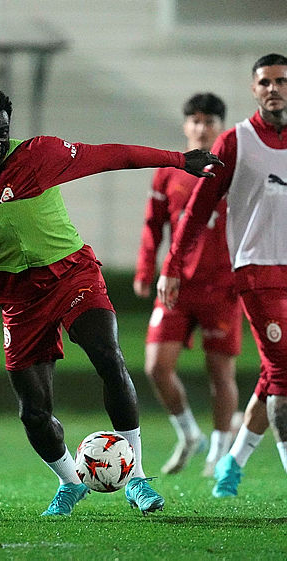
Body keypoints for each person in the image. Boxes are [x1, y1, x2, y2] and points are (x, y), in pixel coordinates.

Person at [0, 86, 223, 516]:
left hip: (71, 273)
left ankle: (138, 478)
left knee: (109, 357)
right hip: (20, 297)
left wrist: (180, 160)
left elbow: (112, 155)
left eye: (1, 130)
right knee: (33, 411)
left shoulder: (39, 154)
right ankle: (70, 482)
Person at [157, 53, 287, 497]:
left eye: (281, 81)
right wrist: (171, 265)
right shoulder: (236, 142)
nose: (274, 88)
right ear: (254, 90)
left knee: (274, 372)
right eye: (266, 82)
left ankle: (231, 462)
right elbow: (196, 212)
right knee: (283, 375)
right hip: (256, 270)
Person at [134, 93, 242, 477]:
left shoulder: (235, 169)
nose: (201, 127)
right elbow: (154, 224)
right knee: (155, 366)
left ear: (220, 126)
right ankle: (188, 434)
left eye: (209, 121)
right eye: (194, 120)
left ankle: (218, 450)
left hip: (223, 286)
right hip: (176, 284)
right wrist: (146, 269)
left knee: (220, 374)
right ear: (185, 125)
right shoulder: (168, 171)